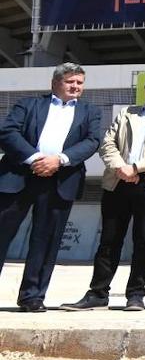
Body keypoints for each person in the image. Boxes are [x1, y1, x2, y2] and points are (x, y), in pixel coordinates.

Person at [64, 71, 145, 312]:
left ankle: (135, 294)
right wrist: (120, 167)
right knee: (109, 240)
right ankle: (98, 293)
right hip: (117, 182)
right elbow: (108, 143)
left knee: (144, 240)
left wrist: (136, 168)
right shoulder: (126, 112)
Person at [0, 63, 102, 312]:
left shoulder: (90, 111)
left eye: (79, 82)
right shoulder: (29, 104)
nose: (76, 86)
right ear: (56, 82)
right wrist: (36, 159)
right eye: (70, 81)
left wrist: (59, 160)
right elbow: (7, 132)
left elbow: (93, 140)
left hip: (60, 180)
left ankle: (32, 297)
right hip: (19, 176)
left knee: (45, 241)